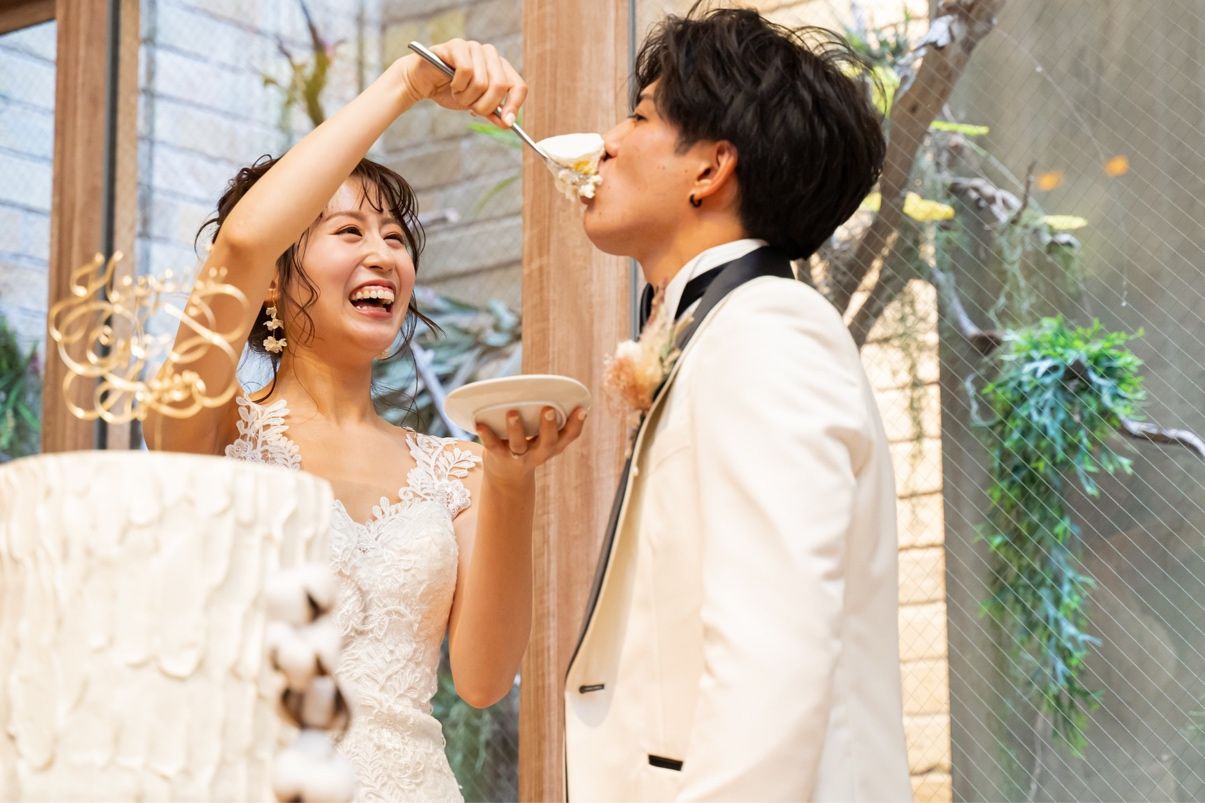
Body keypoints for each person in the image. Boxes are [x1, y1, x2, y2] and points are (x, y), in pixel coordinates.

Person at [145, 39, 585, 802]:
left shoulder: (456, 469)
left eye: (395, 237)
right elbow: (242, 244)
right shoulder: (209, 429)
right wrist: (407, 81)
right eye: (348, 232)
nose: (383, 254)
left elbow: (482, 679)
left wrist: (513, 482)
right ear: (273, 280)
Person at [564, 4, 911, 800]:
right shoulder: (723, 329)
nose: (606, 142)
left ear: (710, 169)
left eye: (637, 117)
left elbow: (773, 654)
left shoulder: (767, 330)